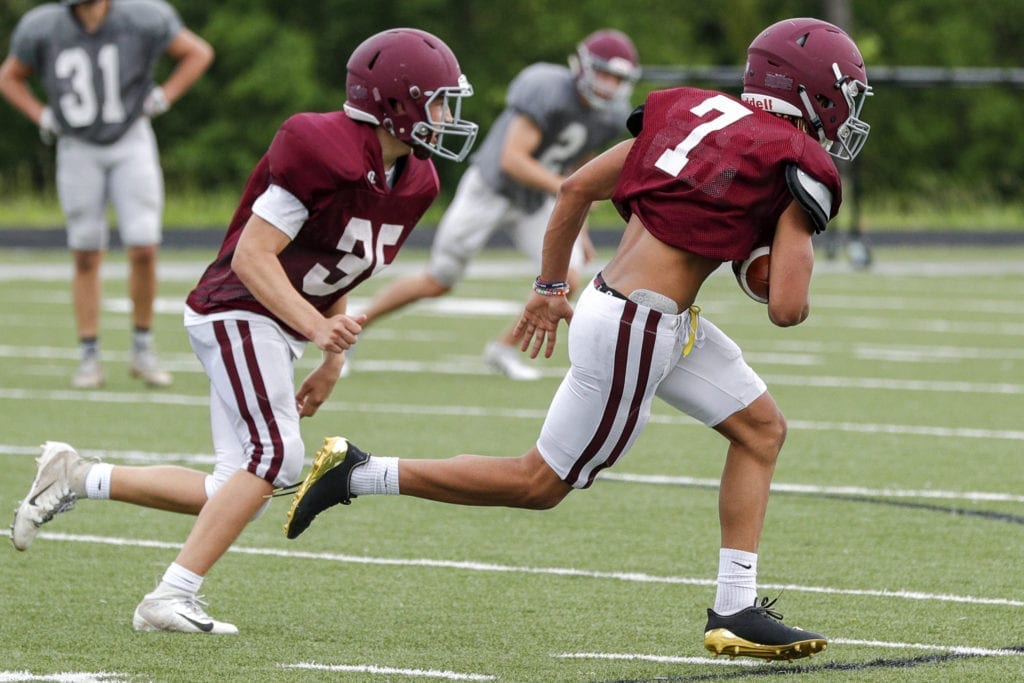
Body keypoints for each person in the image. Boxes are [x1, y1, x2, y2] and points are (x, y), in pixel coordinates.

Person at [281, 17, 872, 661]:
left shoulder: (691, 108)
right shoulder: (794, 158)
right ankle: (358, 474)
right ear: (815, 90)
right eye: (846, 93)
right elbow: (787, 308)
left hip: (636, 313)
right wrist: (778, 247)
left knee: (761, 430)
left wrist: (549, 284)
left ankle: (735, 608)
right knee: (539, 484)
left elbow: (574, 189)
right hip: (639, 327)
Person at [8, 27, 478, 635]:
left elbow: (343, 267)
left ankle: (78, 477)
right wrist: (317, 328)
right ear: (396, 101)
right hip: (236, 306)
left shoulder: (417, 181)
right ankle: (170, 595)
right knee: (278, 458)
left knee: (236, 488)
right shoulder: (320, 145)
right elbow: (254, 258)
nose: (446, 115)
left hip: (278, 321)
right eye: (438, 100)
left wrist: (330, 357)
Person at [350, 29, 641, 381]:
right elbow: (513, 160)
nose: (610, 85)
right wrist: (570, 192)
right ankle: (353, 328)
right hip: (491, 190)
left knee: (562, 278)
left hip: (535, 200)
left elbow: (580, 166)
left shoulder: (611, 115)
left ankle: (502, 349)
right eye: (605, 73)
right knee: (438, 280)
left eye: (618, 78)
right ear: (583, 65)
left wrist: (578, 225)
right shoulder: (547, 87)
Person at [0, 0, 213, 389]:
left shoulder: (143, 16)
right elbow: (9, 76)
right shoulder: (43, 25)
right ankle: (89, 354)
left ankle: (143, 347)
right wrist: (40, 114)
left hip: (131, 138)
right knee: (84, 251)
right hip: (77, 145)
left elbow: (198, 52)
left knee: (145, 245)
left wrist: (165, 95)